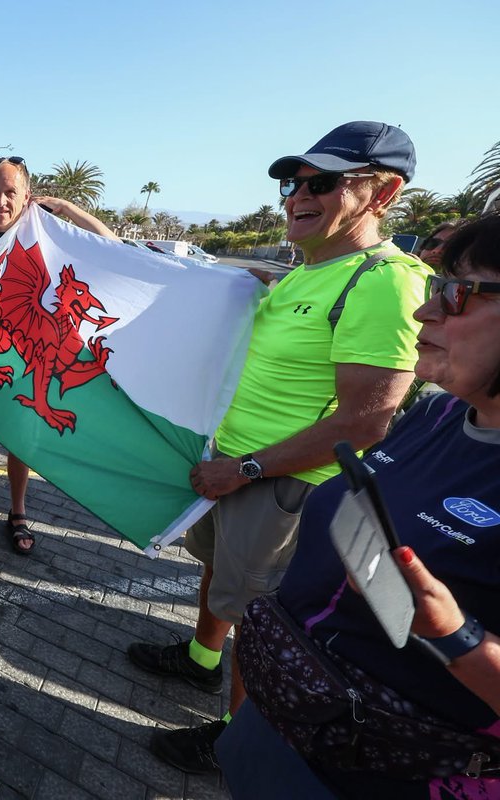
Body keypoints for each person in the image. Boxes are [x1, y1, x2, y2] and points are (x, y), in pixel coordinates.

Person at [126, 121, 432, 774]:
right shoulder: (310, 269)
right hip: (231, 470)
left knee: (263, 627)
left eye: (322, 182)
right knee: (219, 582)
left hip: (282, 486)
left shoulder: (382, 281)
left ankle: (239, 741)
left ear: (384, 193)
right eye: (292, 182)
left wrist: (245, 470)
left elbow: (364, 422)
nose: (296, 195)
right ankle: (200, 662)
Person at [218, 214, 500, 799]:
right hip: (286, 725)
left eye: (457, 293)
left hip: (386, 769)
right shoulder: (437, 414)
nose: (425, 313)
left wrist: (455, 634)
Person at [0, 155, 117, 554]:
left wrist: (67, 208)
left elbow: (111, 244)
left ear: (26, 196)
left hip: (28, 360)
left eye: (10, 193)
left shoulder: (48, 239)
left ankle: (18, 511)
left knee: (20, 440)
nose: (0, 201)